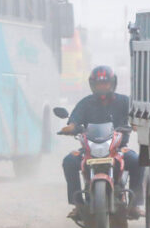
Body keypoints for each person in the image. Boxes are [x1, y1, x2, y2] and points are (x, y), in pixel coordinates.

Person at [60, 65, 143, 219]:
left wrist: (137, 124)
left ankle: (134, 205)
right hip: (89, 151)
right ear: (93, 85)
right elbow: (74, 121)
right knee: (69, 161)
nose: (102, 87)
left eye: (105, 83)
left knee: (138, 161)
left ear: (112, 83)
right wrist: (69, 128)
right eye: (99, 84)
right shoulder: (85, 103)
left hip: (118, 150)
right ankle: (78, 205)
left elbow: (136, 118)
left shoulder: (124, 101)